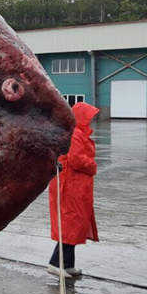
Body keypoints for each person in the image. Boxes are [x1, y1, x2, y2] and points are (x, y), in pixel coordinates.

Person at [47, 102, 99, 278]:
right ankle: (56, 263)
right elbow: (77, 159)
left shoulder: (78, 133)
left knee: (74, 224)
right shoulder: (75, 134)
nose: (91, 121)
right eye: (89, 118)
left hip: (77, 186)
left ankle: (68, 264)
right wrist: (92, 165)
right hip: (70, 185)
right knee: (70, 223)